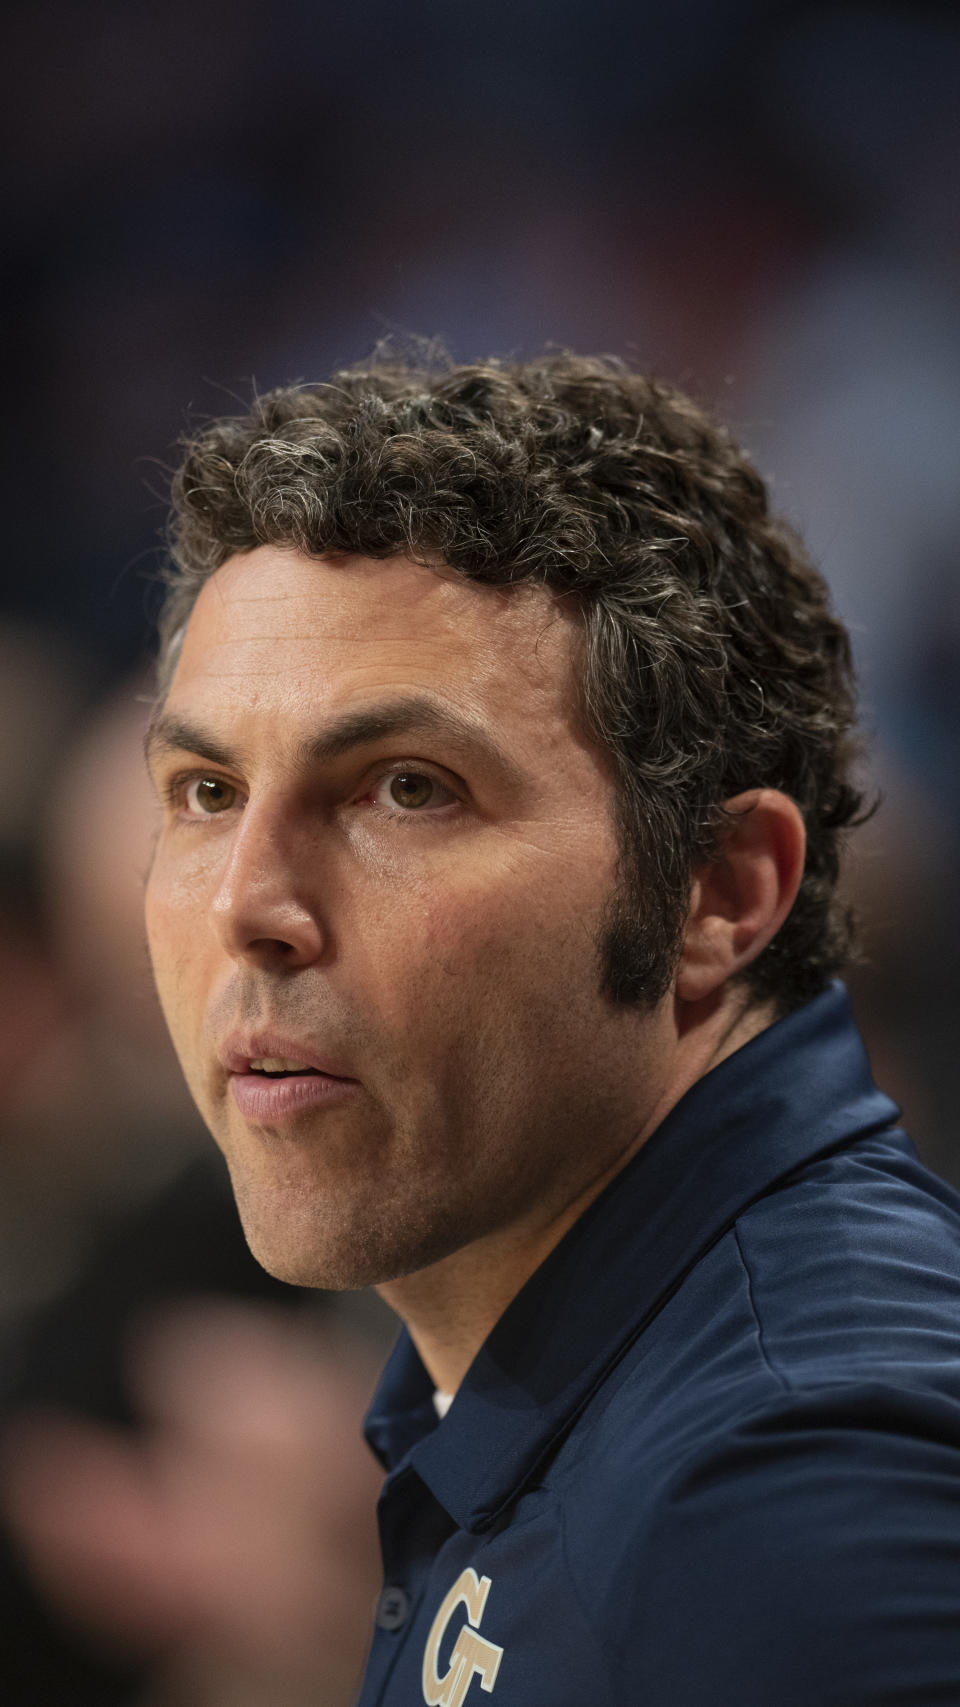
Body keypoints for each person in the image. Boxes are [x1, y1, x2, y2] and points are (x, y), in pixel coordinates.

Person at [9, 351, 960, 1704]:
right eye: (208, 789)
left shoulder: (785, 1492)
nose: (248, 908)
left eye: (406, 788)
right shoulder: (570, 1367)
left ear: (721, 891)